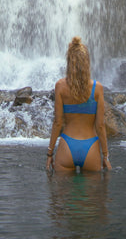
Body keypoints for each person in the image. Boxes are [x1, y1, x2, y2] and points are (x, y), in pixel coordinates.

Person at [46, 36, 111, 173]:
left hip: (67, 147)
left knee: (60, 192)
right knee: (93, 192)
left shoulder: (60, 86)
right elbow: (100, 125)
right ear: (87, 62)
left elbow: (58, 123)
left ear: (69, 61)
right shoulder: (97, 88)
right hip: (91, 147)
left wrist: (49, 153)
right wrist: (105, 156)